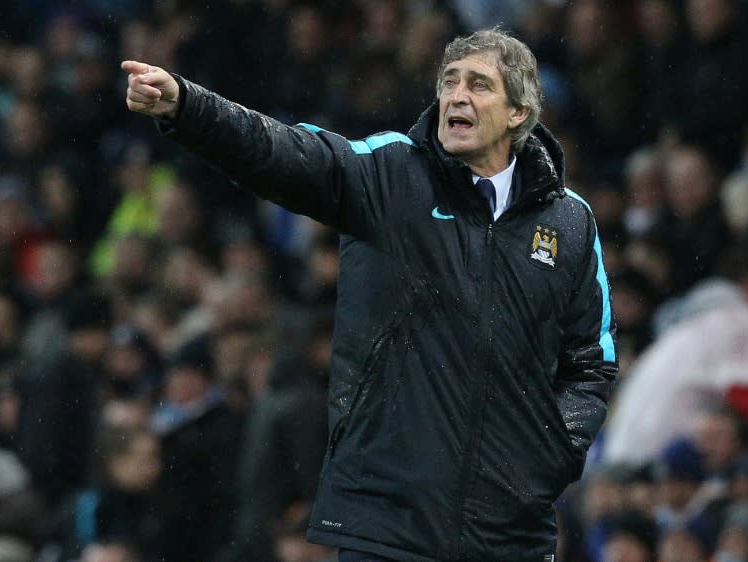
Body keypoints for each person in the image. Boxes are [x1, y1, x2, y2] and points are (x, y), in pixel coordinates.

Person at [122, 26, 617, 562]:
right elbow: (285, 152)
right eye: (449, 82)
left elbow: (592, 362)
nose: (456, 95)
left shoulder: (570, 223)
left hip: (510, 534)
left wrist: (549, 455)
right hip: (387, 523)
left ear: (519, 112)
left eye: (478, 84)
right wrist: (188, 107)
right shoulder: (392, 172)